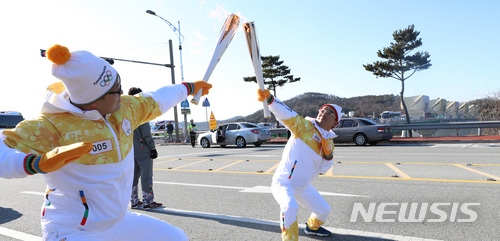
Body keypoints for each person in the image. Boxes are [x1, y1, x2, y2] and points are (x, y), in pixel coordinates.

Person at [0, 44, 211, 241]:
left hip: (119, 221)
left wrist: (188, 87)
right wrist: (35, 163)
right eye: (115, 89)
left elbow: (156, 99)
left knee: (175, 238)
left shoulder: (124, 110)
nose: (121, 92)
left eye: (119, 83)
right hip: (72, 230)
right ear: (95, 99)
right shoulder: (50, 126)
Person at [257, 89, 342, 240]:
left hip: (303, 186)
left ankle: (311, 228)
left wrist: (328, 155)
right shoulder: (303, 126)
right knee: (290, 207)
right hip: (284, 183)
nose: (324, 113)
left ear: (335, 122)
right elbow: (285, 112)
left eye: (330, 113)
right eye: (322, 110)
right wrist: (270, 99)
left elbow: (323, 169)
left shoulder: (329, 142)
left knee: (324, 210)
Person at [128, 87, 162, 210]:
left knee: (133, 177)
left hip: (131, 150)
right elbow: (146, 134)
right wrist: (153, 148)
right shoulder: (142, 113)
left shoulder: (127, 113)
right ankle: (148, 201)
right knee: (146, 176)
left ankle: (134, 201)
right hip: (143, 150)